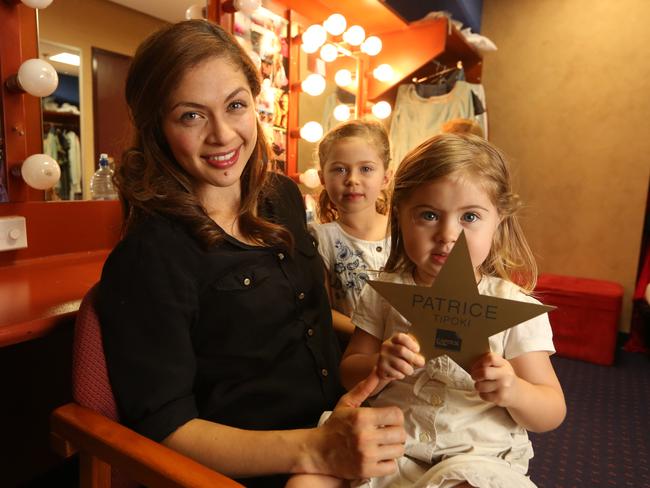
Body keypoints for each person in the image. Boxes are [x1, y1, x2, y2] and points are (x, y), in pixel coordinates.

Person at [96, 20, 407, 488]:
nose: (223, 135)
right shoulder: (149, 257)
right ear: (156, 127)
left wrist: (378, 341)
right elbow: (165, 428)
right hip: (264, 468)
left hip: (344, 422)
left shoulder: (279, 195)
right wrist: (316, 448)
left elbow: (310, 316)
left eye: (235, 106)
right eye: (191, 116)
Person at [293, 133, 566, 487]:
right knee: (308, 478)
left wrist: (514, 389)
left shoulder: (515, 307)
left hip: (475, 459)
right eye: (428, 215)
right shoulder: (386, 294)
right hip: (390, 447)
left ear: (499, 220)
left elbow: (551, 410)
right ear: (400, 217)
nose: (447, 234)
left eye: (469, 216)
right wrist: (378, 366)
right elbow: (349, 372)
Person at [310, 119, 393, 341]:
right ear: (322, 179)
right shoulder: (320, 238)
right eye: (339, 169)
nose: (352, 179)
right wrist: (374, 337)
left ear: (386, 177)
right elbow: (322, 309)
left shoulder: (404, 231)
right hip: (351, 354)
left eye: (365, 169)